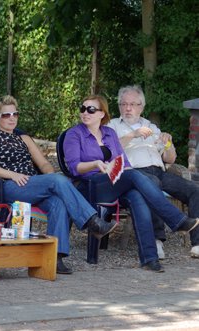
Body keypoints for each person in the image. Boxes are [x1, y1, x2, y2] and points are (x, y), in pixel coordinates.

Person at [0, 95, 117, 274]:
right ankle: (92, 222)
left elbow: (43, 164)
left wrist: (51, 181)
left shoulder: (24, 138)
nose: (12, 118)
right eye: (6, 115)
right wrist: (13, 175)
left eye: (15, 114)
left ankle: (55, 258)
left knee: (59, 202)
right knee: (59, 179)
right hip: (10, 186)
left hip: (33, 185)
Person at [63, 94, 199, 272]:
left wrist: (119, 168)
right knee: (135, 176)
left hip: (113, 182)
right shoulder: (74, 134)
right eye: (83, 108)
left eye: (91, 109)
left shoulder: (109, 134)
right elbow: (74, 167)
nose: (85, 113)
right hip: (89, 185)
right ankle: (176, 220)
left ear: (101, 113)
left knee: (136, 196)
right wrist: (96, 164)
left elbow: (123, 162)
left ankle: (149, 258)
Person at [108, 85, 199, 259]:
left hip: (160, 171)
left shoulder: (152, 127)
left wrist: (168, 143)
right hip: (134, 174)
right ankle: (157, 241)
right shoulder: (112, 127)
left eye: (133, 104)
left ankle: (197, 243)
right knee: (152, 185)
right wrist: (133, 134)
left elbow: (170, 159)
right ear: (119, 106)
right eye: (124, 104)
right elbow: (110, 151)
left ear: (141, 107)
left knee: (194, 190)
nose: (128, 108)